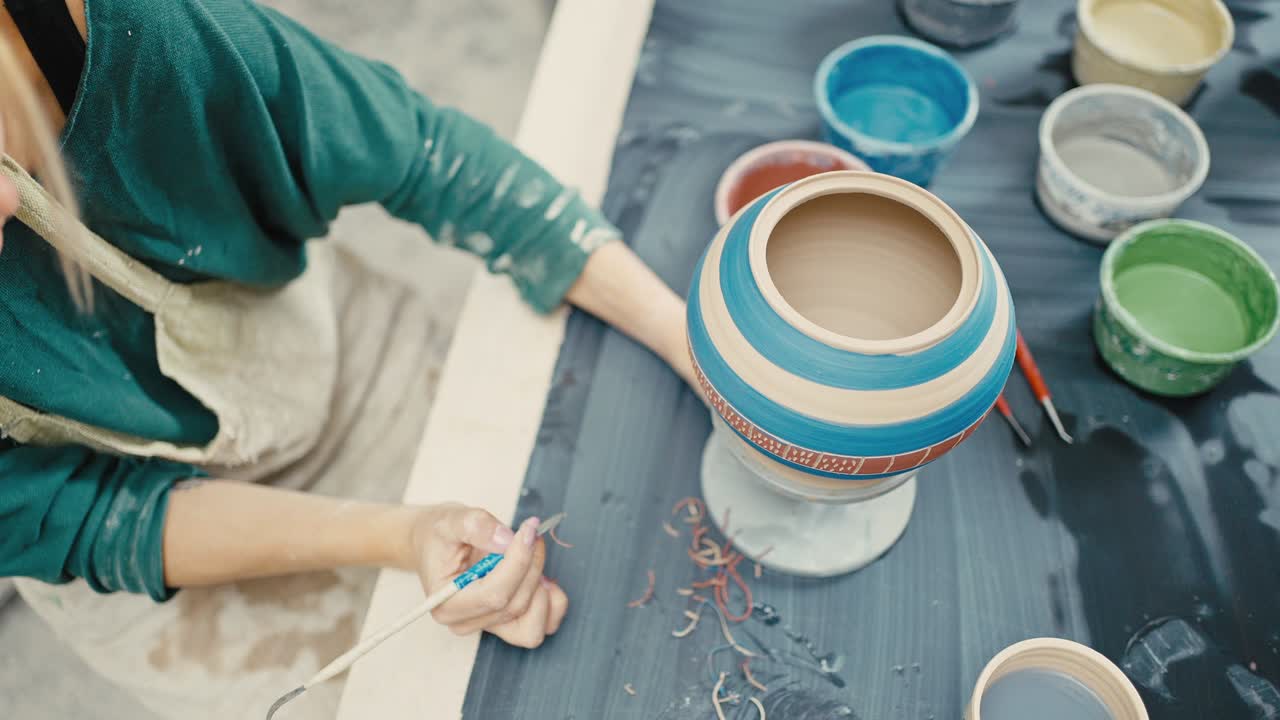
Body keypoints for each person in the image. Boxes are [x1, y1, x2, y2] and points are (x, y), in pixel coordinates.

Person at [0, 1, 693, 716]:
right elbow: (97, 520)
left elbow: (424, 156)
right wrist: (403, 532)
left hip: (334, 363)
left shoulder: (143, 35)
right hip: (159, 569)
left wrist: (683, 337)